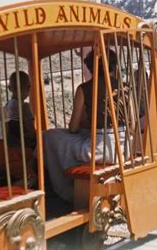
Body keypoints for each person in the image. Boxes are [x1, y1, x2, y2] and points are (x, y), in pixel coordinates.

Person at [43, 49, 127, 202]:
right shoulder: (125, 87)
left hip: (100, 152)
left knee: (50, 136)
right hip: (123, 149)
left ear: (90, 67)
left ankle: (64, 190)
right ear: (113, 66)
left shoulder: (84, 88)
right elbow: (132, 122)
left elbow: (73, 128)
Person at [6, 71, 36, 149]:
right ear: (29, 88)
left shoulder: (7, 105)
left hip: (9, 144)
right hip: (23, 146)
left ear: (9, 88)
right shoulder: (24, 107)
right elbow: (31, 130)